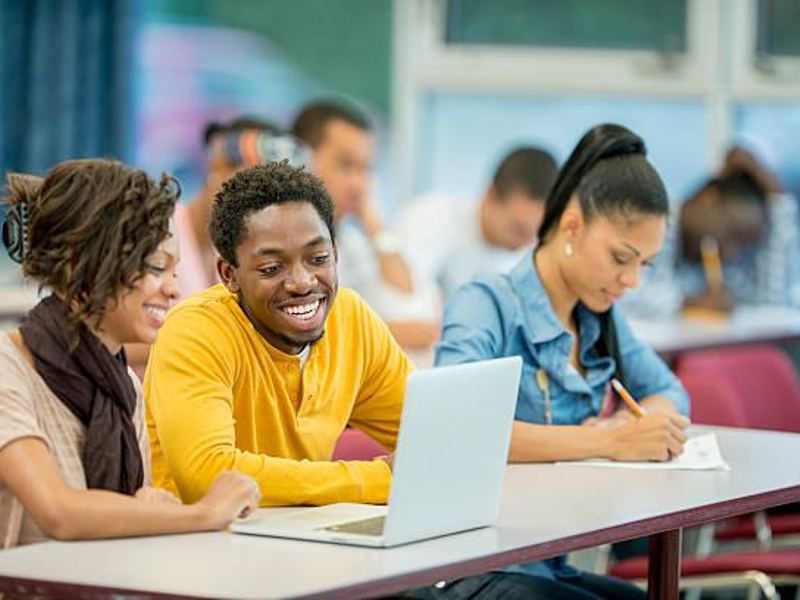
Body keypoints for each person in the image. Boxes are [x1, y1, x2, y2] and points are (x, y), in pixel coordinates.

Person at [428, 124, 691, 599]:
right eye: (620, 258)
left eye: (644, 265)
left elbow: (671, 390)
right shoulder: (484, 303)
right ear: (572, 225)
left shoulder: (598, 318)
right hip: (473, 567)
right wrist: (607, 442)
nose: (631, 281)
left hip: (545, 565)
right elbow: (457, 432)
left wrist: (648, 426)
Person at [0, 159, 260, 549]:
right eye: (156, 266)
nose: (173, 290)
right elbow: (59, 513)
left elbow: (132, 514)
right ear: (80, 265)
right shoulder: (9, 368)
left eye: (175, 271)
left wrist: (155, 508)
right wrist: (202, 513)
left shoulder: (124, 388)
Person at [145, 161, 412, 506]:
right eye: (272, 268)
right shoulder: (195, 330)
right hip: (201, 545)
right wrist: (375, 479)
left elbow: (433, 433)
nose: (302, 282)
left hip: (306, 540)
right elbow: (208, 476)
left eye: (318, 258)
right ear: (228, 274)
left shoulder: (351, 318)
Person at [290, 100, 440, 355]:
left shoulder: (350, 239)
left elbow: (408, 294)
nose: (359, 185)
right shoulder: (277, 241)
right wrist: (385, 332)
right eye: (346, 166)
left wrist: (373, 225)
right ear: (299, 159)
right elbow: (298, 331)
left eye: (366, 169)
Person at [623, 146, 800, 318]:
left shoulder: (725, 262)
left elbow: (774, 303)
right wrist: (687, 302)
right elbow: (628, 293)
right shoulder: (652, 219)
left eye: (744, 245)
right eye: (734, 233)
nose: (733, 253)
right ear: (707, 199)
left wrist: (777, 199)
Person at [397, 146, 558, 303]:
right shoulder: (433, 217)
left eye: (536, 233)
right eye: (519, 229)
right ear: (490, 195)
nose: (527, 242)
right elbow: (400, 291)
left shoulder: (533, 260)